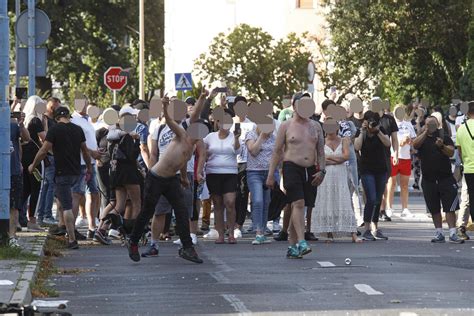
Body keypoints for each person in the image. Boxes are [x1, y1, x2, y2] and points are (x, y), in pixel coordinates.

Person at [128, 94, 206, 264]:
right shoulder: (181, 134)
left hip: (171, 180)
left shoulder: (191, 147)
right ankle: (133, 242)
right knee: (148, 211)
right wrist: (164, 106)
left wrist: (184, 178)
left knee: (182, 211)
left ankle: (187, 247)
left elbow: (183, 162)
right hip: (155, 178)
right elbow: (172, 121)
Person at [266, 98, 325, 259]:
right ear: (294, 107)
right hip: (291, 166)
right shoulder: (286, 125)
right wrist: (271, 175)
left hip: (311, 169)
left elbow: (320, 151)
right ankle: (301, 241)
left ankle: (292, 246)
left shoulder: (316, 126)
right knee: (297, 203)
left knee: (298, 206)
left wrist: (322, 171)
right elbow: (277, 151)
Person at [29, 106, 92, 249]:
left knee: (67, 206)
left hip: (62, 173)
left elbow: (44, 150)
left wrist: (33, 165)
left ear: (57, 118)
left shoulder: (55, 130)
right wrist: (89, 168)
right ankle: (63, 227)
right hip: (77, 172)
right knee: (67, 201)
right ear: (68, 117)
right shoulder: (78, 129)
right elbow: (85, 151)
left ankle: (72, 239)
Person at [412, 115, 464, 244]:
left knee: (450, 207)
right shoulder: (422, 138)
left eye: (433, 124)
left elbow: (451, 152)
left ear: (438, 125)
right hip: (429, 179)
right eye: (429, 124)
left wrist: (442, 146)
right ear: (425, 125)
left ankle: (452, 232)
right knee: (434, 208)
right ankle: (439, 232)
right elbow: (415, 145)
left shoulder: (444, 137)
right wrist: (425, 132)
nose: (431, 127)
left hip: (445, 178)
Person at [312, 120, 360, 242]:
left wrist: (327, 158)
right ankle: (329, 233)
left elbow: (345, 157)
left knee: (345, 201)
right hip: (326, 177)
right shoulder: (320, 141)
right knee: (327, 201)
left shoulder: (344, 140)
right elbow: (317, 160)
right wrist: (334, 160)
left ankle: (353, 233)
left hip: (340, 175)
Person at [201, 109, 241, 244]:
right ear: (217, 123)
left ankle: (231, 233)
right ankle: (220, 234)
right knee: (217, 204)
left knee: (230, 202)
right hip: (213, 172)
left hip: (230, 173)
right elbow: (203, 155)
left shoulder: (234, 136)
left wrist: (236, 138)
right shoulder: (209, 137)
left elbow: (237, 151)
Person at [354, 111, 391, 241]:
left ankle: (376, 228)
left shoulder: (380, 130)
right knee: (371, 198)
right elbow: (357, 146)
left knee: (378, 199)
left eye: (374, 121)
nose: (371, 124)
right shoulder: (361, 132)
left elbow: (388, 144)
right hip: (366, 170)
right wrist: (363, 131)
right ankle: (367, 229)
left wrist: (377, 131)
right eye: (369, 121)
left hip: (381, 169)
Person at [71, 102, 102, 239]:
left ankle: (92, 227)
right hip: (82, 162)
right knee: (78, 194)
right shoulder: (74, 120)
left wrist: (96, 152)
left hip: (91, 162)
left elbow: (88, 140)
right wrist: (91, 153)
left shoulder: (87, 119)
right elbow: (77, 143)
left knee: (94, 194)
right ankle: (71, 229)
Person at [245, 123, 276, 245]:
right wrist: (262, 137)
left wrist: (274, 173)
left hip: (269, 173)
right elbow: (253, 151)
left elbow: (277, 154)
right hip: (254, 172)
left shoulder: (274, 137)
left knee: (266, 202)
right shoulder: (251, 134)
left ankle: (262, 231)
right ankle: (258, 231)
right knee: (257, 201)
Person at [21, 95, 47, 232]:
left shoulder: (24, 120)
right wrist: (46, 125)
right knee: (37, 187)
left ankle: (18, 216)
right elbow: (45, 139)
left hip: (24, 157)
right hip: (35, 157)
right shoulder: (36, 121)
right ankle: (33, 220)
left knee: (25, 188)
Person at [386, 105, 416, 217]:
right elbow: (389, 141)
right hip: (393, 156)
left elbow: (414, 140)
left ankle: (405, 209)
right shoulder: (391, 124)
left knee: (404, 185)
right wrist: (400, 143)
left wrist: (409, 141)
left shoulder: (408, 125)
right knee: (391, 183)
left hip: (406, 157)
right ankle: (389, 207)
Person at [37, 97, 60, 225]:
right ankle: (46, 214)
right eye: (54, 105)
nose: (55, 108)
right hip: (48, 156)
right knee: (48, 185)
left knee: (48, 185)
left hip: (53, 155)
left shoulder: (54, 120)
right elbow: (43, 139)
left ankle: (42, 215)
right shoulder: (44, 119)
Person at [9, 112, 30, 247]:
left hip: (14, 169)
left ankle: (11, 236)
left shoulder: (12, 124)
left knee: (14, 205)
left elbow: (26, 139)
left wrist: (21, 124)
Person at [455, 101, 474, 238]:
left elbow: (459, 151)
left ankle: (463, 227)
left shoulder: (461, 128)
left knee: (468, 198)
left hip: (468, 169)